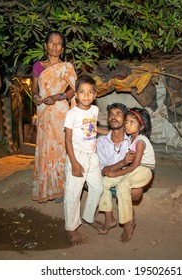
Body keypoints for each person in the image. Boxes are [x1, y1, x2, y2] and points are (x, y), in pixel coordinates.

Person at [31, 30, 77, 204]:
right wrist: (36, 96)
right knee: (45, 149)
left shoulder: (67, 67)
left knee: (61, 149)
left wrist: (58, 96)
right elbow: (34, 88)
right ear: (45, 45)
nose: (55, 46)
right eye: (51, 42)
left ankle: (63, 188)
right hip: (44, 110)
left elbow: (74, 89)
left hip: (60, 112)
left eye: (58, 43)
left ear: (62, 48)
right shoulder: (38, 66)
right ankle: (47, 187)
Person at [98, 107, 155, 242]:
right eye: (127, 122)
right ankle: (109, 217)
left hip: (144, 170)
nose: (127, 125)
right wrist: (95, 129)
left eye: (132, 123)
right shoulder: (131, 138)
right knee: (104, 182)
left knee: (123, 186)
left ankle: (128, 223)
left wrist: (116, 173)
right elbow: (109, 132)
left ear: (141, 126)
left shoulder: (140, 141)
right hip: (135, 170)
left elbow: (135, 165)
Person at [63, 75, 108, 245]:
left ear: (95, 95)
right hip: (77, 156)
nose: (86, 95)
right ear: (75, 94)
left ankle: (88, 217)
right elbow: (67, 139)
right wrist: (74, 162)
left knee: (97, 188)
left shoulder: (94, 111)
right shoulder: (71, 114)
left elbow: (92, 128)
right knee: (73, 193)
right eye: (82, 92)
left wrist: (106, 132)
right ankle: (72, 228)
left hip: (92, 155)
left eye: (90, 92)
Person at [96, 103, 141, 232]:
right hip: (110, 178)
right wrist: (122, 163)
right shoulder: (102, 141)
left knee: (136, 192)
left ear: (125, 118)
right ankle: (109, 219)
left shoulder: (133, 141)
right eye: (111, 114)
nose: (113, 117)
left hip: (127, 178)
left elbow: (137, 168)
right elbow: (103, 169)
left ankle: (129, 215)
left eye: (118, 114)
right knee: (100, 181)